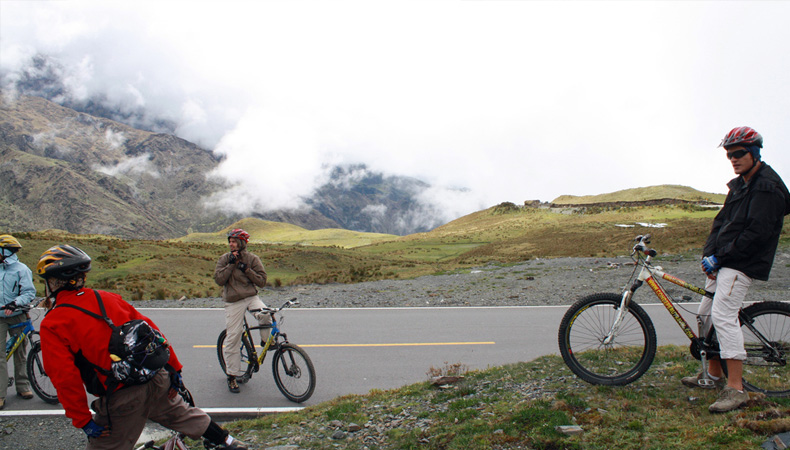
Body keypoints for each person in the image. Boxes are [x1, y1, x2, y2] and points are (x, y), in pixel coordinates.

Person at [37, 244, 249, 449]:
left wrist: (82, 419)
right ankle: (228, 443)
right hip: (155, 378)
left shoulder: (53, 323)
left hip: (121, 395)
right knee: (181, 414)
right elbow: (153, 332)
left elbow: (64, 378)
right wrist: (174, 368)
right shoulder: (107, 298)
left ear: (54, 282)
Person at [681, 126, 790, 413]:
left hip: (743, 263)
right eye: (730, 155)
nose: (733, 159)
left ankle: (736, 389)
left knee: (723, 315)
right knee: (705, 315)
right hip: (725, 261)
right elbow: (721, 222)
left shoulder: (767, 187)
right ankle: (715, 375)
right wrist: (709, 255)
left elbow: (757, 233)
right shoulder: (740, 184)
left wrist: (722, 257)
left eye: (739, 153)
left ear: (755, 153)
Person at [214, 228, 270, 393]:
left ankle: (266, 342)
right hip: (233, 301)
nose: (231, 244)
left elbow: (262, 281)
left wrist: (247, 269)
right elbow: (219, 280)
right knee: (233, 338)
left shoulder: (252, 259)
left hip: (251, 297)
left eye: (234, 241)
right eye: (230, 241)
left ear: (242, 243)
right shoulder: (224, 259)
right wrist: (231, 265)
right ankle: (232, 376)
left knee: (266, 315)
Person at [0, 234, 36, 409]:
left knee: (20, 353)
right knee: (0, 355)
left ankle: (23, 387)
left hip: (18, 314)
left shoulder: (22, 269)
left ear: (5, 251)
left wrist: (15, 303)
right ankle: (0, 394)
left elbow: (29, 292)